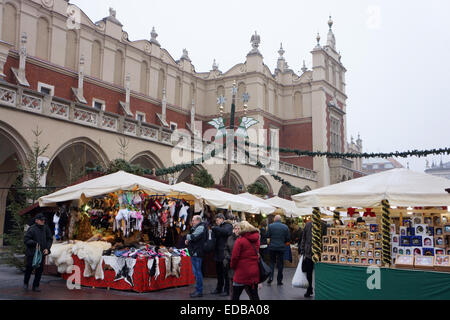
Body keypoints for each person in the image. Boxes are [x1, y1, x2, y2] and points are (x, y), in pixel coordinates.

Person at [230, 221, 260, 300]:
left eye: (239, 228)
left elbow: (234, 257)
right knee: (254, 295)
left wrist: (233, 266)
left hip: (241, 272)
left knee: (235, 296)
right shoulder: (256, 239)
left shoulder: (240, 241)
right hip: (253, 270)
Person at [23, 214, 53, 292]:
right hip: (31, 253)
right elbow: (26, 240)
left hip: (42, 253)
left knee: (39, 270)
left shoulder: (46, 228)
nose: (43, 221)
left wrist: (47, 248)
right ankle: (26, 283)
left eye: (43, 220)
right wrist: (34, 243)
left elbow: (50, 239)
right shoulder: (32, 229)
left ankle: (36, 286)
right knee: (29, 269)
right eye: (41, 220)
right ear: (36, 220)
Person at [300, 219, 327, 298]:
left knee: (316, 272)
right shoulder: (308, 225)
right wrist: (302, 250)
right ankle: (309, 289)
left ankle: (316, 290)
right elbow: (304, 238)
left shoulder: (323, 225)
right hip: (309, 252)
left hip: (319, 253)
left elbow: (325, 239)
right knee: (309, 272)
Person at [185, 215, 208, 298]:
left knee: (197, 272)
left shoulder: (201, 227)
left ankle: (199, 291)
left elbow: (193, 237)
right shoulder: (199, 227)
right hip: (195, 252)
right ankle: (198, 290)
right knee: (196, 272)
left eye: (193, 220)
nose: (192, 222)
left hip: (197, 252)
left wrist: (188, 237)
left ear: (198, 220)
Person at [211, 213, 233, 296]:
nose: (216, 222)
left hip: (224, 253)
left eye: (217, 220)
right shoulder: (219, 227)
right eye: (216, 221)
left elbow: (226, 232)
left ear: (221, 219)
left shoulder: (228, 225)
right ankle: (219, 288)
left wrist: (215, 228)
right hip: (218, 252)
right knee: (219, 273)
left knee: (225, 273)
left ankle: (226, 290)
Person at [266, 215, 290, 285]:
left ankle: (270, 277)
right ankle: (279, 280)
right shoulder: (285, 227)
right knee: (280, 264)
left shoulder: (270, 226)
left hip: (272, 247)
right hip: (281, 247)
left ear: (274, 219)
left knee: (271, 263)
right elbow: (288, 238)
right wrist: (283, 241)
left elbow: (267, 235)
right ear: (280, 219)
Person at [223, 222, 240, 298]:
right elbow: (226, 249)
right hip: (231, 264)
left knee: (240, 287)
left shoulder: (243, 238)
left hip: (240, 265)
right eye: (235, 228)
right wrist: (228, 256)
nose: (236, 230)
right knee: (232, 285)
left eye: (238, 229)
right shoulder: (230, 238)